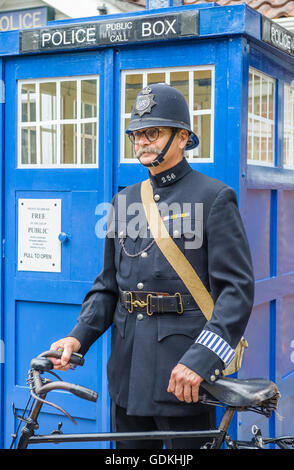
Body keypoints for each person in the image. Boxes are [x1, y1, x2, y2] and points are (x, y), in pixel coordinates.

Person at [50, 83, 255, 449]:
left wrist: (202, 360)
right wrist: (76, 337)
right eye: (137, 134)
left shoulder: (214, 197)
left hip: (185, 375)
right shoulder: (124, 200)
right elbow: (107, 287)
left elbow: (236, 292)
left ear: (183, 138)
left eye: (153, 132)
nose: (142, 141)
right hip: (127, 374)